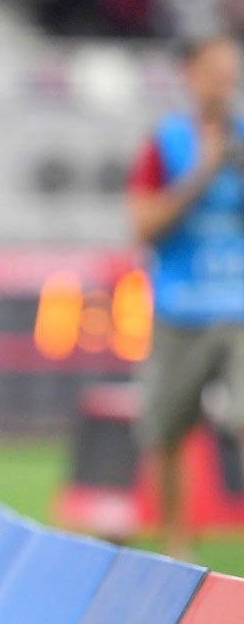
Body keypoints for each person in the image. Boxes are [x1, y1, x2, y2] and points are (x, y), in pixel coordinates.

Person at [128, 34, 244, 557]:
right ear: (191, 75)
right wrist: (202, 172)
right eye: (217, 72)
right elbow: (144, 224)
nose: (226, 84)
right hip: (180, 308)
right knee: (167, 431)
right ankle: (179, 546)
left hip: (237, 306)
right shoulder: (166, 143)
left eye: (232, 73)